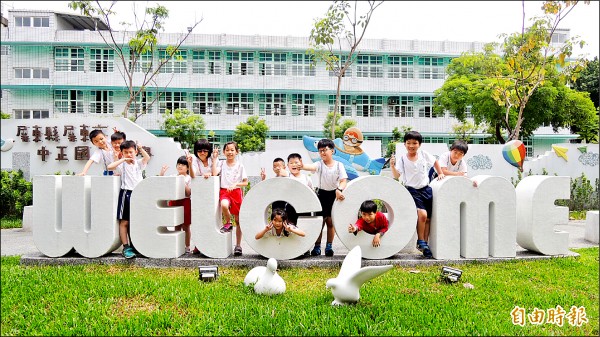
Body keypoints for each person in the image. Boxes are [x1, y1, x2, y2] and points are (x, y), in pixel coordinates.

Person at [390, 131, 444, 259]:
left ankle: (424, 246)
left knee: (428, 219)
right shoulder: (402, 159)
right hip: (412, 190)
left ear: (419, 144)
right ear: (404, 144)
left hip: (426, 189)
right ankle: (420, 240)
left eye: (414, 143)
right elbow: (397, 175)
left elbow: (435, 162)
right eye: (408, 143)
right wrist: (392, 165)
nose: (411, 145)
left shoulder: (424, 155)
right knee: (422, 215)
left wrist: (440, 173)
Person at [301, 138, 348, 257]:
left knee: (330, 222)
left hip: (334, 195)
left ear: (332, 151)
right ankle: (317, 247)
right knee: (319, 222)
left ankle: (329, 247)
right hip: (321, 195)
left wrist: (339, 190)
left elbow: (343, 181)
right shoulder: (319, 164)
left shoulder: (339, 165)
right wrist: (301, 166)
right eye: (320, 150)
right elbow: (310, 167)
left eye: (325, 150)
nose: (322, 153)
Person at [106, 140, 151, 259]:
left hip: (138, 194)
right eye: (126, 152)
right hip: (126, 193)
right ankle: (126, 247)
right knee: (124, 222)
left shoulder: (139, 163)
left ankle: (136, 245)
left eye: (131, 152)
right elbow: (110, 167)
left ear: (135, 152)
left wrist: (141, 148)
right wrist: (123, 159)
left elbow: (147, 158)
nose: (129, 154)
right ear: (122, 153)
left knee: (137, 221)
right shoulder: (121, 164)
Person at [214, 141, 248, 256]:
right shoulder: (221, 164)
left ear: (237, 152)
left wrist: (236, 185)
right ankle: (228, 223)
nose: (230, 152)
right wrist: (214, 159)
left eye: (232, 150)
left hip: (236, 192)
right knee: (223, 205)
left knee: (239, 221)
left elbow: (246, 182)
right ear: (224, 152)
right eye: (227, 150)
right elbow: (214, 173)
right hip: (224, 191)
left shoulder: (240, 166)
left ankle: (238, 245)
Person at [159, 154, 195, 254]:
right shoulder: (173, 176)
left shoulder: (189, 178)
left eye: (183, 164)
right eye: (178, 164)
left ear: (188, 167)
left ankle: (187, 246)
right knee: (176, 225)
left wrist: (182, 181)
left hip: (185, 202)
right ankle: (177, 246)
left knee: (186, 226)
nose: (180, 166)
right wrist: (162, 172)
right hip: (174, 202)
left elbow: (188, 193)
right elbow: (162, 183)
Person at [285, 152, 313, 226]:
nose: (294, 165)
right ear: (287, 165)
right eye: (291, 163)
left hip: (305, 207)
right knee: (291, 226)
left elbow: (311, 193)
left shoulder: (307, 178)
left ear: (300, 163)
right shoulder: (286, 177)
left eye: (296, 162)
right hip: (290, 206)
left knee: (305, 226)